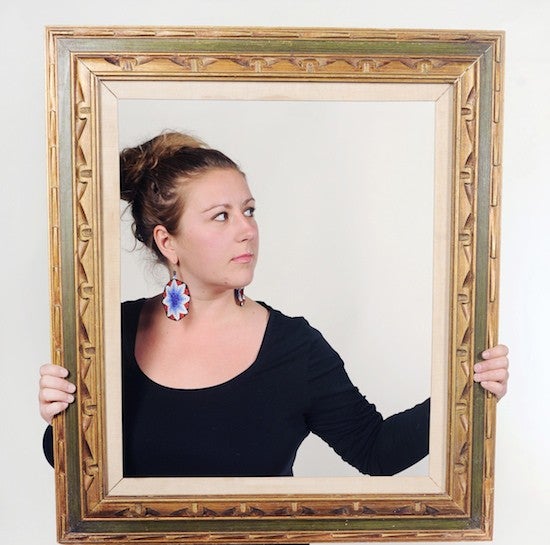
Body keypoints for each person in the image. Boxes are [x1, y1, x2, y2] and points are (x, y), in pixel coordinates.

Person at [39, 131, 510, 477]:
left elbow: (376, 451)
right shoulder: (107, 331)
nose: (246, 229)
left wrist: (466, 391)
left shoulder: (294, 348)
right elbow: (75, 466)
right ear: (167, 240)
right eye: (220, 216)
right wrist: (59, 414)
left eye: (248, 211)